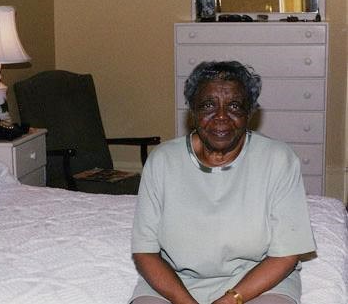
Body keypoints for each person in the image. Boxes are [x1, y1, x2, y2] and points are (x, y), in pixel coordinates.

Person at [129, 61, 316, 304]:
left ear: (249, 112)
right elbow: (145, 251)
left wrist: (231, 299)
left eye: (234, 106)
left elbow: (286, 254)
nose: (220, 117)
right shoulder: (162, 161)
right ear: (192, 111)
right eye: (208, 105)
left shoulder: (278, 160)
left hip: (258, 282)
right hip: (174, 282)